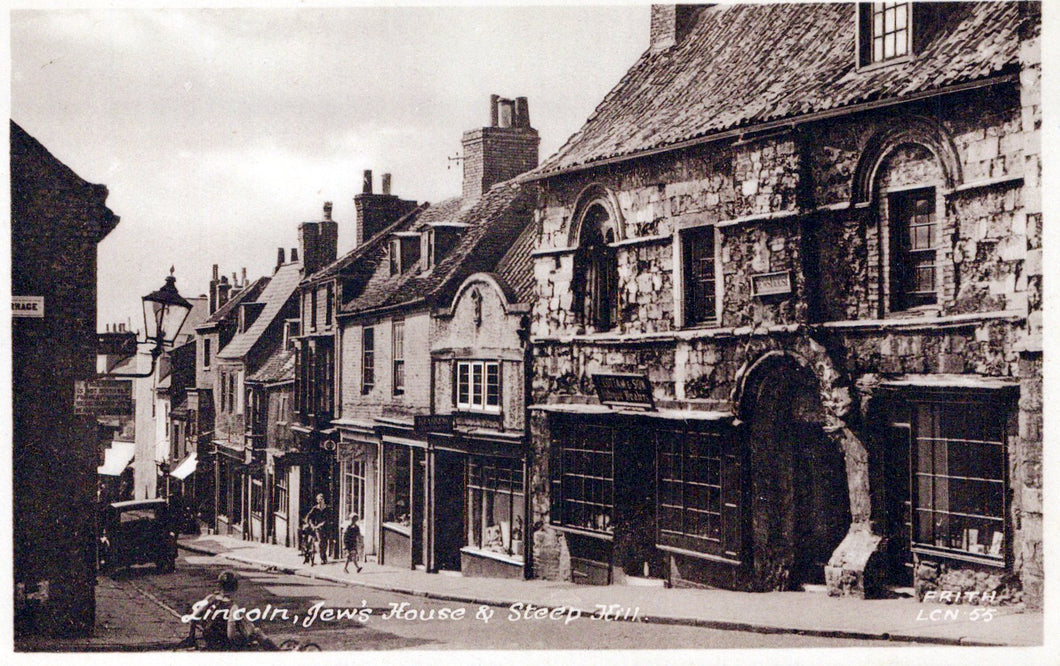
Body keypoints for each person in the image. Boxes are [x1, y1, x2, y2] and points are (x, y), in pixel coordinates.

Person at [190, 570, 268, 651]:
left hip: (208, 639)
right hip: (223, 643)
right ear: (235, 588)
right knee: (257, 632)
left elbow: (193, 617)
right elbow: (231, 635)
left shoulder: (210, 598)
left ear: (219, 586)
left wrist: (192, 636)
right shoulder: (233, 607)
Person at [303, 493, 329, 565]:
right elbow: (308, 517)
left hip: (326, 528)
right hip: (317, 528)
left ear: (324, 500)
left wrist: (323, 523)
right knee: (320, 542)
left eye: (321, 499)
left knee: (325, 543)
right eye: (318, 500)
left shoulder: (327, 509)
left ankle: (324, 557)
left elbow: (328, 518)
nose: (320, 501)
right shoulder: (315, 508)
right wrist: (310, 524)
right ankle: (322, 559)